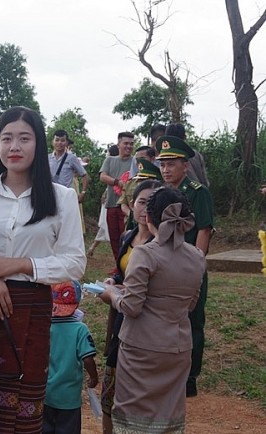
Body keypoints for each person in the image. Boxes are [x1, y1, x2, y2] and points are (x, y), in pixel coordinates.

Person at [0, 106, 86, 433]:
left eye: (24, 138)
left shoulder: (62, 198)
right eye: (6, 138)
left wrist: (20, 265)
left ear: (38, 145)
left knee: (24, 411)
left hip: (32, 312)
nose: (14, 147)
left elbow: (74, 262)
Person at [99, 186, 206, 433]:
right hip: (178, 348)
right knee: (169, 415)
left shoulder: (145, 254)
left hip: (141, 349)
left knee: (134, 416)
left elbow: (132, 307)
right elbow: (190, 303)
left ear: (149, 218)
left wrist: (112, 294)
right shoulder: (197, 256)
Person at [99, 179, 161, 434]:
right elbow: (122, 272)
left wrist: (118, 293)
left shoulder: (163, 246)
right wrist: (113, 280)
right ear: (132, 204)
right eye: (142, 202)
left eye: (152, 203)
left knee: (141, 397)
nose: (145, 209)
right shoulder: (128, 235)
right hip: (122, 322)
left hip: (147, 329)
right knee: (109, 392)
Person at [156, 135, 214, 398]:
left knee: (192, 321)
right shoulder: (160, 193)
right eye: (162, 164)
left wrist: (197, 267)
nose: (166, 169)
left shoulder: (198, 193)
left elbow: (204, 230)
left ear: (185, 165)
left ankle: (190, 377)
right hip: (163, 266)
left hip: (189, 267)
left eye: (171, 163)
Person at [42, 281, 98, 434]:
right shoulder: (80, 329)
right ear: (77, 303)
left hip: (46, 394)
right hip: (69, 398)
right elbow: (87, 359)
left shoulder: (46, 326)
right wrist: (94, 378)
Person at [99, 132, 134, 263]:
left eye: (131, 144)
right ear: (118, 144)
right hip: (112, 204)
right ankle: (117, 265)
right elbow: (103, 176)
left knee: (126, 236)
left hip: (126, 206)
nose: (129, 146)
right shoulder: (110, 160)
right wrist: (118, 182)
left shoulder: (135, 161)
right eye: (126, 143)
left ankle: (127, 265)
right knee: (114, 238)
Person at [48, 130, 89, 202]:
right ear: (53, 142)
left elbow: (84, 175)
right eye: (57, 140)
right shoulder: (47, 158)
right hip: (51, 195)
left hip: (66, 196)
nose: (59, 143)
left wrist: (83, 192)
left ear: (66, 142)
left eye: (62, 140)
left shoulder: (71, 158)